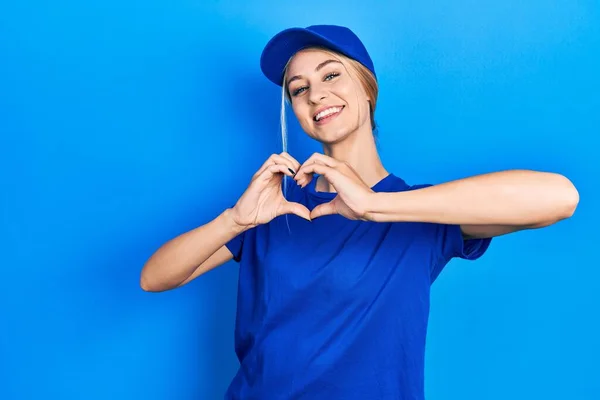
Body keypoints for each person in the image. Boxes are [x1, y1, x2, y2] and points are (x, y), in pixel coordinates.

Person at [140, 25, 579, 400]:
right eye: (299, 89)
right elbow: (155, 277)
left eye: (332, 74)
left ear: (367, 88)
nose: (316, 95)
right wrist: (234, 219)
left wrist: (375, 205)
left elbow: (560, 197)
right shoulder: (274, 207)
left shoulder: (419, 213)